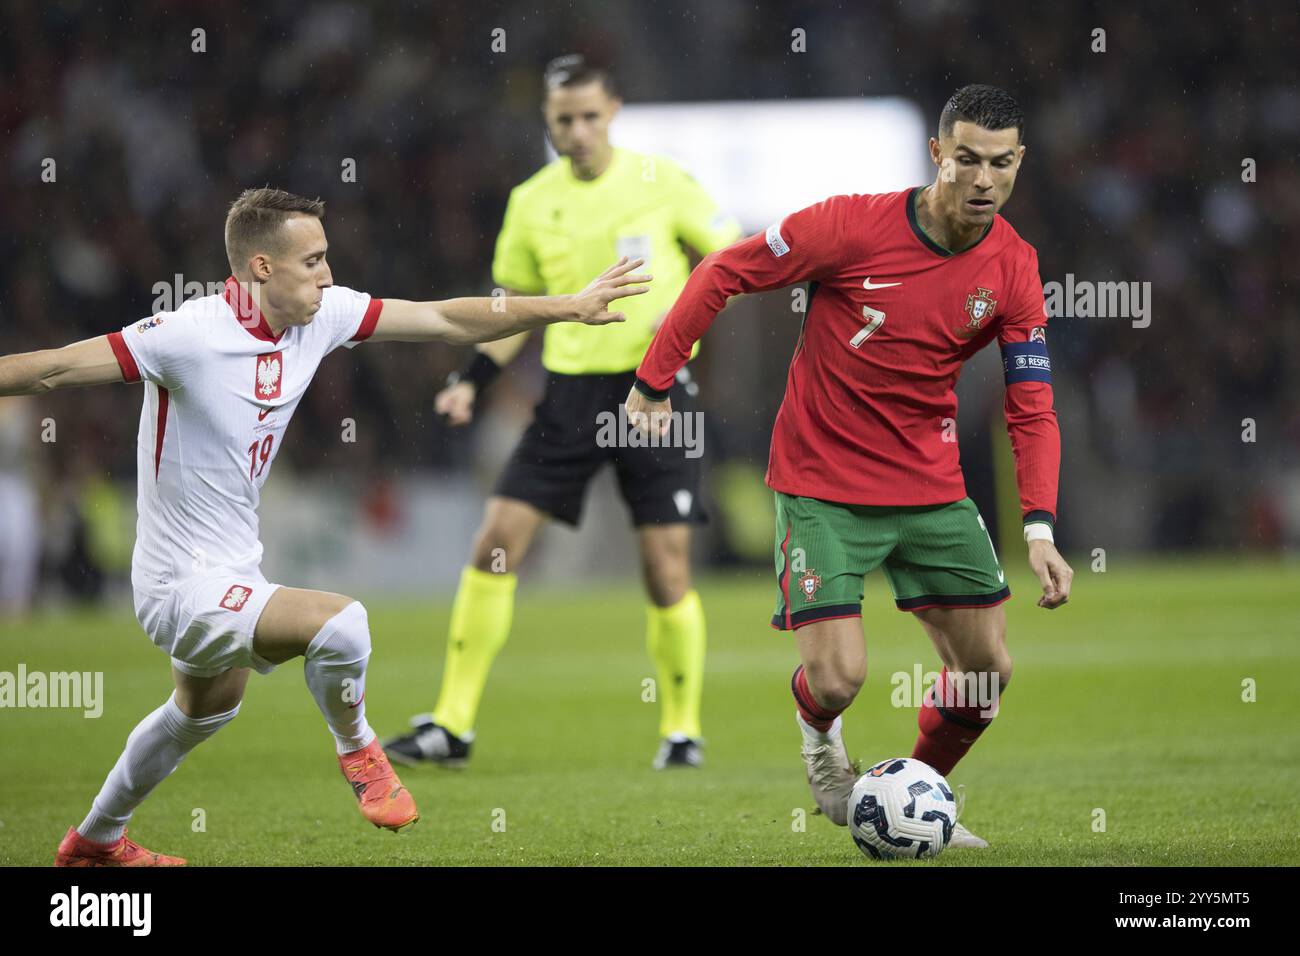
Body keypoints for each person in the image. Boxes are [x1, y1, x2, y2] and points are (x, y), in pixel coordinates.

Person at [0, 186, 649, 866]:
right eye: (311, 261)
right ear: (260, 268)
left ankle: (95, 842)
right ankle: (359, 748)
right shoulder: (186, 336)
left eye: (326, 258)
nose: (328, 275)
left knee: (200, 713)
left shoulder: (322, 315)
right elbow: (53, 370)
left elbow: (446, 321)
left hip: (234, 568)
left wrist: (567, 307)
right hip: (176, 584)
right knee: (343, 625)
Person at [625, 85, 1074, 847]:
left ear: (1019, 162)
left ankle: (914, 798)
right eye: (967, 159)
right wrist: (652, 380)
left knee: (984, 674)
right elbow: (723, 272)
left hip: (929, 489)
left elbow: (1032, 404)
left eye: (1001, 163)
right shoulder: (849, 227)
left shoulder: (1015, 267)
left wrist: (1038, 525)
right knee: (838, 679)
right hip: (822, 485)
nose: (983, 180)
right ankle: (819, 739)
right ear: (938, 155)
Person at [383, 55, 740, 771]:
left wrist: (677, 349)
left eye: (588, 117)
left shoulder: (661, 181)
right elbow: (515, 307)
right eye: (561, 121)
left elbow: (728, 263)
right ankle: (452, 724)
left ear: (613, 111)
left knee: (665, 565)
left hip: (654, 389)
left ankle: (681, 732)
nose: (576, 132)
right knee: (495, 540)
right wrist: (470, 380)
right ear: (547, 123)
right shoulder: (531, 200)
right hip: (569, 394)